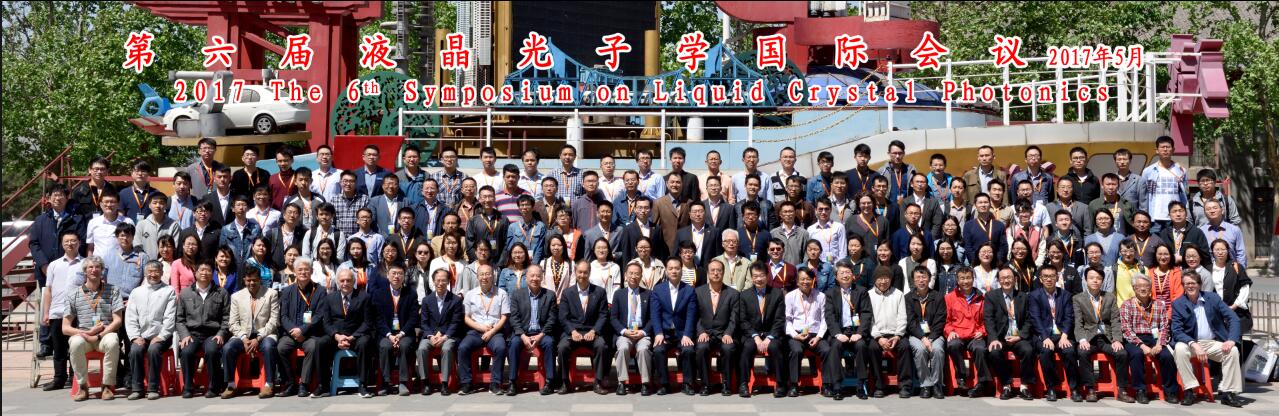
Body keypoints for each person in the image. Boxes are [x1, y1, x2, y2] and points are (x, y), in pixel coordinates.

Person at [1171, 271, 1244, 407]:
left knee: (1232, 351)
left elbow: (1233, 318)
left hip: (1212, 343)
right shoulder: (1178, 303)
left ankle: (1228, 392)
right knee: (1179, 349)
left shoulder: (1213, 298)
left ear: (1199, 284)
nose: (1190, 286)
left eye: (1193, 283)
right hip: (1191, 344)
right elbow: (1177, 331)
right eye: (1186, 284)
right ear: (1183, 286)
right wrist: (1193, 344)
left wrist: (1231, 339)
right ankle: (1189, 390)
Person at [63, 256, 125, 401]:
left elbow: (118, 321)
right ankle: (83, 386)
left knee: (113, 341)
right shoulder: (74, 294)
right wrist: (87, 333)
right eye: (90, 267)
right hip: (84, 336)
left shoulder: (113, 290)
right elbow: (65, 328)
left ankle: (107, 386)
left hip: (105, 334)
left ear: (102, 270)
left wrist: (98, 335)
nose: (94, 270)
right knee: (75, 343)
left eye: (97, 267)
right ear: (85, 271)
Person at [1072, 266, 1131, 402]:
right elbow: (1078, 322)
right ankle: (1090, 389)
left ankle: (1122, 390)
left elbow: (1115, 320)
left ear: (1102, 281)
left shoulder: (1110, 297)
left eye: (1098, 278)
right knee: (1082, 352)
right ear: (1085, 280)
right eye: (1091, 278)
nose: (1095, 281)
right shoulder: (1078, 298)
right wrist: (1082, 340)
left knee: (1122, 353)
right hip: (1089, 337)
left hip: (1106, 338)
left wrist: (1117, 339)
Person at [220, 266, 280, 399]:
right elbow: (233, 323)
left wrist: (258, 338)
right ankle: (230, 385)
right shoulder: (236, 297)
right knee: (228, 348)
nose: (251, 283)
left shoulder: (271, 294)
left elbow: (274, 321)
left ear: (260, 280)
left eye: (255, 280)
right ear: (244, 280)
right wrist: (243, 338)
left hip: (265, 334)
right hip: (243, 335)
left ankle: (269, 384)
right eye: (248, 280)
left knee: (268, 347)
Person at [1118, 274, 1178, 404]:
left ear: (1151, 288)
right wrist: (1142, 346)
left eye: (1146, 286)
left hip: (1154, 338)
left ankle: (1170, 391)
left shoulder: (1159, 305)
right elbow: (1126, 329)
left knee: (1167, 356)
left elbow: (1164, 327)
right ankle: (1140, 390)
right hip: (1135, 338)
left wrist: (1159, 344)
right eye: (1139, 286)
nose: (1143, 288)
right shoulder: (1127, 305)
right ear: (1134, 288)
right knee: (1136, 354)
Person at [176, 262, 232, 398]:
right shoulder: (185, 293)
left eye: (208, 270)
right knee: (186, 351)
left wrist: (221, 333)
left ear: (212, 274)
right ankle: (188, 387)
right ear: (195, 273)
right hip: (192, 334)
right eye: (201, 270)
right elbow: (179, 319)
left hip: (212, 333)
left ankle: (214, 387)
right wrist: (184, 335)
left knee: (212, 351)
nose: (204, 273)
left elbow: (227, 317)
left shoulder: (221, 293)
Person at [276, 258, 329, 398]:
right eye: (300, 269)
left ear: (311, 271)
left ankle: (304, 384)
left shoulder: (320, 291)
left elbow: (319, 315)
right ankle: (289, 383)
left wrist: (303, 330)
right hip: (291, 333)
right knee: (280, 348)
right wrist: (294, 331)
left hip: (310, 333)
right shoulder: (287, 291)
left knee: (313, 347)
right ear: (294, 272)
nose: (303, 272)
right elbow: (283, 316)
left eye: (306, 269)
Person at [124, 260, 175, 400]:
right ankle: (137, 388)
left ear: (162, 273)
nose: (153, 274)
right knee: (135, 351)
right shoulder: (136, 292)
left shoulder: (169, 291)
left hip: (162, 336)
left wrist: (161, 336)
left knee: (153, 350)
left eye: (156, 271)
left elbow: (170, 318)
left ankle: (153, 388)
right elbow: (130, 317)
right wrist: (135, 336)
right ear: (145, 273)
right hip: (141, 336)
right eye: (150, 271)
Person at [320, 269, 377, 398]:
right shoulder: (329, 298)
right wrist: (337, 336)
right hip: (336, 336)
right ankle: (323, 386)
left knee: (364, 343)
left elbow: (368, 322)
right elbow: (327, 323)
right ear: (337, 282)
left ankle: (363, 385)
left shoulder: (364, 297)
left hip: (356, 336)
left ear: (354, 282)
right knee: (320, 344)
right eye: (342, 280)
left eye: (348, 280)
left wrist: (352, 337)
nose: (345, 283)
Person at [984, 267, 1038, 400]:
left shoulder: (1023, 296)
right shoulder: (991, 296)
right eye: (1003, 278)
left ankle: (1024, 386)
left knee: (1028, 350)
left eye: (1009, 277)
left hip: (1018, 337)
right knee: (994, 352)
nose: (1006, 281)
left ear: (1015, 280)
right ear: (998, 281)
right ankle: (1006, 385)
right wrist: (993, 338)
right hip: (1000, 337)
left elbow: (1029, 320)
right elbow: (988, 319)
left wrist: (1019, 336)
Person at [555, 261, 609, 394]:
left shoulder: (600, 292)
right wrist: (572, 331)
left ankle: (598, 382)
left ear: (589, 273)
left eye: (585, 272)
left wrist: (594, 331)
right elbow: (563, 317)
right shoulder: (567, 293)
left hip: (592, 331)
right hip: (573, 332)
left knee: (601, 346)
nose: (582, 275)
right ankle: (564, 382)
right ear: (575, 272)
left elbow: (603, 315)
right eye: (580, 272)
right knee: (562, 347)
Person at [457, 264, 510, 395]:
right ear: (477, 276)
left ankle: (495, 383)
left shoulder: (502, 293)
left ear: (493, 276)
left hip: (495, 331)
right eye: (482, 274)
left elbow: (504, 317)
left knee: (501, 347)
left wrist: (492, 331)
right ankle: (466, 383)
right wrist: (480, 327)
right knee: (463, 347)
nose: (484, 277)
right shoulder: (470, 294)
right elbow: (466, 317)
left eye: (488, 274)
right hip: (476, 331)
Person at [1028, 265, 1079, 401]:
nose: (1049, 279)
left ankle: (1074, 388)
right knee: (1045, 351)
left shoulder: (1066, 295)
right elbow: (1035, 318)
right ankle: (1051, 388)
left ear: (1057, 277)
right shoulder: (1034, 296)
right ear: (1040, 279)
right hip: (1044, 334)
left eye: (1052, 276)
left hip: (1062, 334)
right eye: (1045, 276)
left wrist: (1065, 335)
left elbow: (1069, 317)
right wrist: (1045, 337)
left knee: (1069, 351)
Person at [649, 257, 698, 395]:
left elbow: (691, 315)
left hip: (682, 332)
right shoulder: (658, 289)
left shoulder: (689, 290)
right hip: (665, 333)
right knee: (658, 350)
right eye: (670, 268)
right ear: (666, 270)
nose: (674, 271)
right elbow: (655, 314)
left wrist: (687, 334)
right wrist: (658, 333)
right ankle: (664, 384)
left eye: (677, 268)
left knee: (688, 350)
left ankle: (687, 383)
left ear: (681, 270)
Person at [824, 261, 872, 400]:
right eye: (842, 273)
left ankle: (861, 385)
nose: (845, 275)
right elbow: (829, 316)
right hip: (840, 331)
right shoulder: (831, 293)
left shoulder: (861, 291)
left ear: (853, 275)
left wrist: (860, 333)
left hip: (856, 331)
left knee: (861, 346)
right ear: (836, 276)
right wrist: (837, 334)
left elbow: (866, 313)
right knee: (835, 346)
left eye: (848, 272)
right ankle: (837, 385)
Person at [507, 264, 558, 396]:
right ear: (526, 277)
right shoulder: (517, 294)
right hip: (523, 333)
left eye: (538, 276)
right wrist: (523, 336)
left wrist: (541, 335)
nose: (535, 278)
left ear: (542, 278)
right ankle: (512, 381)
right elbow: (514, 318)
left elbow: (552, 319)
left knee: (550, 343)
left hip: (542, 333)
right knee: (514, 343)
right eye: (532, 275)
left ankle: (549, 381)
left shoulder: (550, 295)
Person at [736, 262, 786, 397]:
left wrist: (769, 338)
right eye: (755, 276)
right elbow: (743, 320)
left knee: (775, 347)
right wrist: (756, 337)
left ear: (767, 276)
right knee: (747, 348)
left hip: (771, 334)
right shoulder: (744, 295)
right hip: (752, 334)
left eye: (762, 275)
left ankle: (780, 384)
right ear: (751, 277)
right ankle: (743, 384)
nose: (759, 279)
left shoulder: (777, 294)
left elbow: (779, 320)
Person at [372, 264, 419, 396]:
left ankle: (403, 382)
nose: (396, 276)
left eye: (400, 273)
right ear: (388, 275)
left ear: (404, 276)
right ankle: (385, 382)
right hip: (386, 334)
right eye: (393, 273)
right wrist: (389, 335)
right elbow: (378, 319)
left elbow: (413, 317)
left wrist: (401, 334)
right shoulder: (378, 293)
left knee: (404, 346)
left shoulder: (411, 293)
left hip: (405, 333)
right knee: (385, 346)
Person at [694, 259, 738, 396]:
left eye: (719, 270)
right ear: (707, 273)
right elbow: (695, 316)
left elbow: (734, 317)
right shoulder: (698, 292)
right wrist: (701, 331)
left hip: (724, 333)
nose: (715, 273)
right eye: (712, 270)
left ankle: (726, 384)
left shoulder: (732, 293)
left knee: (728, 348)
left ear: (723, 273)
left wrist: (728, 333)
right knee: (701, 348)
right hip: (705, 333)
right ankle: (705, 384)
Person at [866, 265, 911, 398]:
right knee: (872, 348)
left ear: (891, 279)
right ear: (875, 280)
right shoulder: (868, 295)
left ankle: (905, 386)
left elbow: (902, 317)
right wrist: (878, 337)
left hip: (895, 334)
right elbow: (868, 319)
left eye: (886, 278)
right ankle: (879, 386)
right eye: (880, 278)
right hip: (877, 334)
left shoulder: (898, 294)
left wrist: (897, 335)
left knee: (905, 346)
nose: (883, 281)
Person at [944, 267, 989, 398]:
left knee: (980, 348)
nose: (965, 281)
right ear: (957, 280)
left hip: (975, 335)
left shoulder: (982, 297)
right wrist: (950, 331)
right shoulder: (949, 298)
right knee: (953, 345)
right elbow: (945, 320)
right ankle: (962, 377)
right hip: (957, 333)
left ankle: (983, 383)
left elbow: (987, 319)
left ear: (973, 279)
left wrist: (983, 331)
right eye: (962, 278)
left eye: (968, 278)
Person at [417, 269, 463, 395]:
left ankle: (445, 383)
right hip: (430, 335)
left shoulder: (455, 300)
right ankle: (425, 382)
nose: (440, 283)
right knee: (421, 348)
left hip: (449, 335)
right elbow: (424, 322)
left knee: (447, 349)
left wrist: (444, 336)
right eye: (438, 280)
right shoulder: (427, 300)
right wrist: (431, 336)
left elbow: (455, 322)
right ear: (433, 281)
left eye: (444, 280)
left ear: (448, 282)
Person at [611, 262, 654, 395]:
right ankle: (622, 382)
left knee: (643, 349)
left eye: (637, 273)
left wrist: (643, 332)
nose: (633, 276)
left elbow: (653, 318)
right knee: (623, 348)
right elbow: (613, 318)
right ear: (625, 275)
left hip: (642, 332)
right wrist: (624, 331)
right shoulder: (619, 294)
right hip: (625, 332)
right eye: (631, 273)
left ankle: (645, 383)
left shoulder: (648, 294)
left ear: (641, 276)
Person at [904, 266, 946, 399]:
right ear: (913, 280)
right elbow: (911, 323)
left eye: (924, 277)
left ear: (929, 279)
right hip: (916, 335)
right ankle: (926, 385)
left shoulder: (938, 296)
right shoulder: (908, 298)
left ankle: (937, 385)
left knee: (937, 350)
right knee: (920, 349)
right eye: (918, 278)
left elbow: (940, 320)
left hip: (935, 335)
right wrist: (923, 338)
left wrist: (931, 338)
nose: (921, 280)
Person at [1140, 136, 1188, 234]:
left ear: (1173, 150)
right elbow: (1143, 195)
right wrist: (1144, 214)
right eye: (1162, 147)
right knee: (1154, 242)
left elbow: (1184, 194)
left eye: (1168, 147)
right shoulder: (1148, 171)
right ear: (1157, 150)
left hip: (1175, 217)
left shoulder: (1181, 171)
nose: (1165, 150)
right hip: (1154, 218)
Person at [1207, 239, 1253, 334]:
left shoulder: (1236, 267)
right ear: (1212, 251)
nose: (1220, 252)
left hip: (1235, 311)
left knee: (1235, 338)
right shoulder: (1208, 269)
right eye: (1217, 250)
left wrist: (1234, 306)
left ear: (1228, 251)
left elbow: (1245, 287)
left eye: (1223, 249)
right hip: (1216, 312)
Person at [465, 186, 510, 261]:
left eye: (490, 196)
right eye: (484, 197)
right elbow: (469, 244)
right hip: (479, 262)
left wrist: (501, 263)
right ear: (479, 199)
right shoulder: (473, 220)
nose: (487, 200)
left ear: (494, 199)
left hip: (498, 262)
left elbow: (507, 243)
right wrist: (477, 262)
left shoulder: (503, 219)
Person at [963, 193, 1008, 265]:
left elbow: (1003, 246)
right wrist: (975, 263)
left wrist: (998, 262)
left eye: (986, 202)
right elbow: (968, 247)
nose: (983, 205)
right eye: (980, 202)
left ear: (990, 204)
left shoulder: (999, 225)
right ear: (975, 205)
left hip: (996, 265)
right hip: (977, 265)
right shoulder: (968, 225)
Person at [1199, 199, 1246, 265]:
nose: (1212, 211)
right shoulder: (1201, 231)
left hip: (1230, 268)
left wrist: (1241, 269)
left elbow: (1241, 253)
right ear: (1205, 213)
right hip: (1208, 268)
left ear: (1222, 210)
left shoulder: (1234, 230)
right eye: (1208, 209)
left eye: (1215, 208)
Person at [135, 193, 178, 260]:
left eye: (161, 203)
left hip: (166, 264)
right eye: (154, 203)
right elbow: (136, 244)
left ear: (166, 206)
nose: (158, 206)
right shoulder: (141, 224)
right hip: (146, 264)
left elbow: (175, 246)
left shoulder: (173, 225)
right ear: (149, 205)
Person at [674, 203, 719, 269]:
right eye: (694, 212)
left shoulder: (715, 232)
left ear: (705, 213)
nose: (698, 214)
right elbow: (675, 254)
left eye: (700, 211)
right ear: (690, 214)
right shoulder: (681, 233)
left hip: (708, 270)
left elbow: (718, 254)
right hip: (687, 270)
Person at [219, 195, 262, 263]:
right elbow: (222, 250)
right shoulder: (226, 229)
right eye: (238, 205)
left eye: (244, 205)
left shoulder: (255, 228)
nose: (241, 208)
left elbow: (260, 248)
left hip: (251, 265)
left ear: (248, 208)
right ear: (233, 209)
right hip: (232, 265)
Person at [332, 171, 370, 237]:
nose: (348, 184)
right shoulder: (334, 200)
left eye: (351, 181)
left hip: (359, 239)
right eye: (345, 181)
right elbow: (331, 222)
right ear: (340, 182)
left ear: (356, 183)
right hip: (339, 238)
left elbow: (368, 221)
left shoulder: (364, 199)